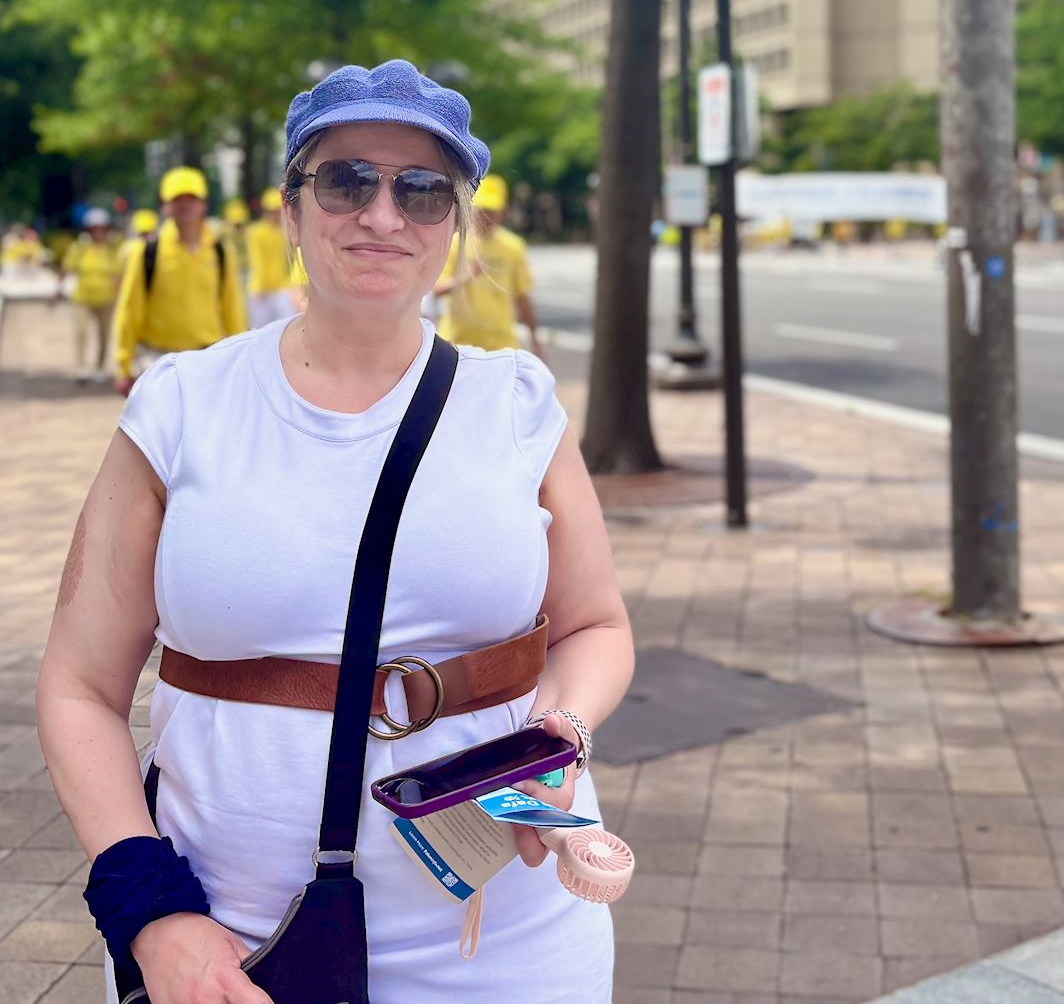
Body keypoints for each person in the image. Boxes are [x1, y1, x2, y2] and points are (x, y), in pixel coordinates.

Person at [38, 59, 633, 1004]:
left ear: (455, 224)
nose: (383, 215)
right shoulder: (182, 406)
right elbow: (79, 687)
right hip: (233, 940)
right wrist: (150, 912)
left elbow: (597, 627)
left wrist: (558, 735)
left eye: (422, 190)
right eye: (347, 180)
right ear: (291, 210)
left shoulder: (518, 405)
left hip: (506, 937)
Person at [111, 167, 246, 396]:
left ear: (203, 204)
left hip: (208, 357)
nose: (185, 206)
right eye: (176, 199)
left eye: (191, 199)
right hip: (157, 359)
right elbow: (130, 310)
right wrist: (123, 364)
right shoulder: (147, 252)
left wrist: (241, 359)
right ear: (165, 206)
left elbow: (233, 308)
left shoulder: (221, 252)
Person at [433, 174, 544, 359]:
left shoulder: (513, 247)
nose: (486, 216)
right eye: (482, 209)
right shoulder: (455, 243)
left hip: (501, 348)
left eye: (492, 210)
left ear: (502, 212)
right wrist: (466, 276)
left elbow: (523, 297)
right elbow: (436, 289)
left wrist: (535, 338)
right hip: (456, 346)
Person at [59, 207, 122, 383]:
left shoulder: (113, 249)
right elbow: (67, 268)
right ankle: (81, 366)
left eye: (101, 228)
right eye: (94, 228)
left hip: (107, 299)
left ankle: (100, 367)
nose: (98, 232)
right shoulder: (79, 248)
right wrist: (57, 290)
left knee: (104, 335)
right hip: (83, 298)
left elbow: (120, 273)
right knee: (81, 332)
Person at [244, 187, 301, 327]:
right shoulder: (256, 232)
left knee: (287, 324)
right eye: (271, 210)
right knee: (258, 329)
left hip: (282, 285)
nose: (274, 214)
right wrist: (260, 285)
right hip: (261, 287)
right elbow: (257, 259)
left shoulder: (286, 231)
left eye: (276, 210)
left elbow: (293, 258)